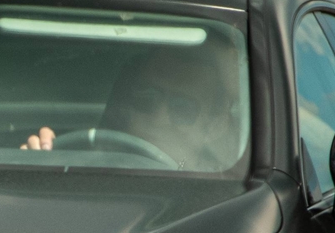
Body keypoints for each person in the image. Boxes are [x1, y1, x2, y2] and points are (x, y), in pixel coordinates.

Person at [20, 45, 241, 170]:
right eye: (147, 98)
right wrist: (39, 166)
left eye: (182, 107)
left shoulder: (222, 197)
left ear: (215, 125)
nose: (158, 117)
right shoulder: (82, 163)